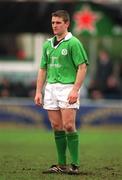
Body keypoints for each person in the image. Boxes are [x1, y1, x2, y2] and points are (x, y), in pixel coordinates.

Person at [34, 10, 89, 174]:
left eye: (58, 23)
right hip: (50, 88)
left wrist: (75, 90)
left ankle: (75, 164)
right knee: (57, 126)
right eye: (53, 23)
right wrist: (38, 91)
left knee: (68, 125)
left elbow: (82, 67)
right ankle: (61, 164)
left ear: (67, 24)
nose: (55, 26)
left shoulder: (73, 43)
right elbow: (43, 69)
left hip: (67, 87)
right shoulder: (47, 44)